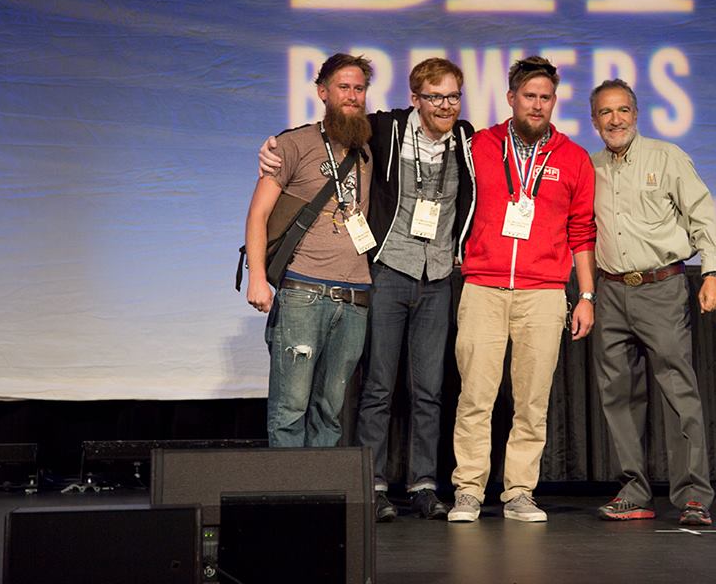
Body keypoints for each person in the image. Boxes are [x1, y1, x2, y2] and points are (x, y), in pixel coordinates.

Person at [258, 59, 476, 522]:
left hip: (437, 276)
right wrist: (271, 146)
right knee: (375, 387)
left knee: (429, 390)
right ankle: (371, 483)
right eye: (434, 96)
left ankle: (422, 483)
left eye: (453, 96)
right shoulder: (384, 129)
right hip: (388, 271)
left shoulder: (468, 139)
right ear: (415, 98)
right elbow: (323, 129)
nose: (445, 105)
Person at [447, 57, 597, 524]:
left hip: (545, 293)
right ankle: (468, 490)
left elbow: (583, 232)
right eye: (528, 96)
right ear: (511, 98)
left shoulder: (573, 158)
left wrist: (587, 296)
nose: (537, 105)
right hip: (484, 287)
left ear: (554, 102)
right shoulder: (478, 146)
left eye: (545, 98)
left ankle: (518, 492)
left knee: (532, 401)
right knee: (476, 396)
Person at [587, 78, 716, 526]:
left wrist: (711, 271)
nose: (615, 119)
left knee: (677, 391)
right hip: (610, 291)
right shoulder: (590, 168)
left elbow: (702, 215)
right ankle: (635, 490)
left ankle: (692, 496)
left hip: (661, 287)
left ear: (636, 114)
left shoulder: (666, 157)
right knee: (619, 396)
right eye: (606, 113)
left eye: (622, 110)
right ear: (594, 121)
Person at [245, 53, 374, 449]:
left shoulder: (369, 145)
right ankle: (288, 499)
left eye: (359, 89)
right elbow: (258, 214)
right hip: (303, 293)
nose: (352, 96)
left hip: (355, 298)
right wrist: (257, 278)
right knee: (290, 407)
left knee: (330, 409)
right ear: (322, 92)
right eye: (343, 87)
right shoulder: (292, 144)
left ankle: (322, 497)